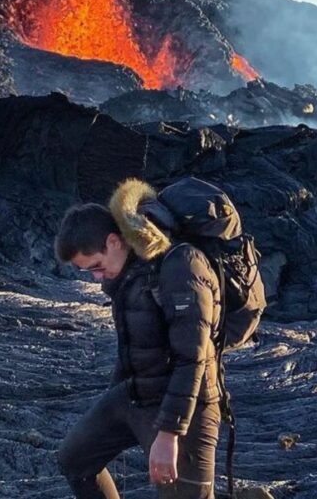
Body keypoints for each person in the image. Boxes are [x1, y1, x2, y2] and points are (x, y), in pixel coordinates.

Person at [53, 178, 222, 499]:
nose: (97, 277)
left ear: (114, 241)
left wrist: (169, 434)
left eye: (97, 267)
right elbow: (133, 345)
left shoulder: (181, 266)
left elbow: (193, 357)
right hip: (135, 394)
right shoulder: (129, 272)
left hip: (189, 408)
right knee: (75, 459)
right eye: (89, 272)